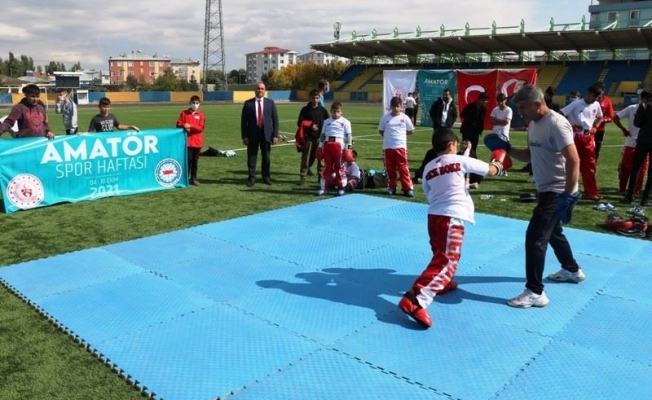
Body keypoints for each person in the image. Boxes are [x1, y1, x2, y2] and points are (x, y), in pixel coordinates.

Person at [398, 129, 503, 328]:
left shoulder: (429, 167)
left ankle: (443, 283)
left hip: (434, 216)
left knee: (439, 254)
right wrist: (498, 161)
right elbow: (489, 170)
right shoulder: (460, 161)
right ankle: (415, 299)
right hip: (452, 216)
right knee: (448, 261)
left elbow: (429, 194)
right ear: (451, 146)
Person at [506, 84, 584, 309]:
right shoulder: (533, 125)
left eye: (523, 107)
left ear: (538, 104)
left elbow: (574, 159)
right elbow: (531, 156)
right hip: (546, 190)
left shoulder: (557, 124)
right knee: (553, 232)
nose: (520, 112)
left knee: (535, 237)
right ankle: (572, 270)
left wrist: (568, 195)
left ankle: (535, 291)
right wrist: (508, 149)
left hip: (557, 191)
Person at [559, 83, 604, 201]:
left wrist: (595, 127)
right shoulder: (576, 104)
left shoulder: (596, 104)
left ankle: (591, 192)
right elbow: (560, 115)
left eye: (598, 98)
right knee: (571, 164)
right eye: (595, 97)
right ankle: (567, 190)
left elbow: (600, 117)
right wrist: (569, 126)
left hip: (589, 138)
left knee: (590, 165)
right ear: (589, 94)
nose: (596, 99)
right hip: (575, 138)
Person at [241, 82, 280, 187]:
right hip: (252, 134)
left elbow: (275, 120)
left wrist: (275, 135)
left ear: (265, 90)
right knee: (252, 157)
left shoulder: (270, 103)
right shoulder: (248, 103)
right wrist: (244, 136)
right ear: (255, 90)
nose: (260, 90)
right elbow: (243, 122)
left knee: (266, 157)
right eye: (258, 88)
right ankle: (251, 178)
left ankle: (266, 177)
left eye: (262, 88)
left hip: (266, 134)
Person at [613, 91, 649, 197]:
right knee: (625, 168)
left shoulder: (649, 109)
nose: (646, 101)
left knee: (642, 169)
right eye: (645, 98)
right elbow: (615, 117)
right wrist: (623, 129)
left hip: (644, 144)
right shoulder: (631, 108)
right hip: (630, 143)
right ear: (641, 98)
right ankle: (622, 188)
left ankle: (636, 191)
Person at [378, 96, 415, 197]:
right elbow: (381, 131)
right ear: (390, 107)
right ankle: (392, 187)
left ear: (401, 106)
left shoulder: (405, 118)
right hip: (388, 147)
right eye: (394, 106)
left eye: (398, 106)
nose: (396, 108)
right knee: (390, 168)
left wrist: (400, 136)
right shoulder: (385, 118)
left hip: (401, 147)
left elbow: (411, 131)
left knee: (403, 168)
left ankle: (407, 188)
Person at [316, 101, 352, 196]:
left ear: (341, 112)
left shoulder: (346, 122)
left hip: (339, 146)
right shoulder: (327, 121)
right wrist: (319, 147)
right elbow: (323, 135)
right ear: (331, 111)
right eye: (334, 111)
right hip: (327, 145)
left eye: (338, 111)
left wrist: (349, 149)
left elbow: (349, 137)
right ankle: (324, 188)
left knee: (339, 167)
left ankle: (341, 187)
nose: (336, 113)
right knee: (327, 167)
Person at [625, 89, 652, 206]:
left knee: (635, 168)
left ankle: (630, 196)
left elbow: (637, 123)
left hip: (643, 140)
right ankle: (645, 199)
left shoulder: (644, 106)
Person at [297, 89, 329, 185]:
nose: (315, 100)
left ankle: (321, 176)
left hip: (320, 139)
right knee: (306, 158)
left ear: (319, 98)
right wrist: (310, 125)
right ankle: (303, 176)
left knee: (321, 159)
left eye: (317, 98)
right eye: (313, 98)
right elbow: (300, 123)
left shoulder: (322, 110)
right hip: (308, 138)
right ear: (310, 98)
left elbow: (328, 122)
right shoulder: (305, 110)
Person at [176, 95, 205, 186]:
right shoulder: (184, 113)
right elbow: (178, 124)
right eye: (193, 103)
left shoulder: (201, 115)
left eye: (197, 103)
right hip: (187, 142)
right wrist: (184, 125)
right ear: (190, 103)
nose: (195, 105)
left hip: (197, 142)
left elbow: (200, 128)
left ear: (199, 104)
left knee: (195, 162)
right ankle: (185, 178)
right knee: (187, 160)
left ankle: (194, 178)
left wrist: (190, 126)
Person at [460, 91, 489, 159]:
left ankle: (473, 161)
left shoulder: (483, 109)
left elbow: (481, 120)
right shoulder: (469, 106)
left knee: (474, 148)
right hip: (467, 130)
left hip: (476, 132)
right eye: (485, 100)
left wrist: (480, 129)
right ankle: (463, 160)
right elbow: (462, 115)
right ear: (480, 99)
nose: (486, 102)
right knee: (466, 146)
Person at [593, 82, 614, 161]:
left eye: (599, 90)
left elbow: (611, 117)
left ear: (603, 90)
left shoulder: (607, 101)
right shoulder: (589, 99)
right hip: (587, 129)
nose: (597, 92)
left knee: (596, 150)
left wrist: (601, 120)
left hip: (599, 130)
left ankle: (593, 166)